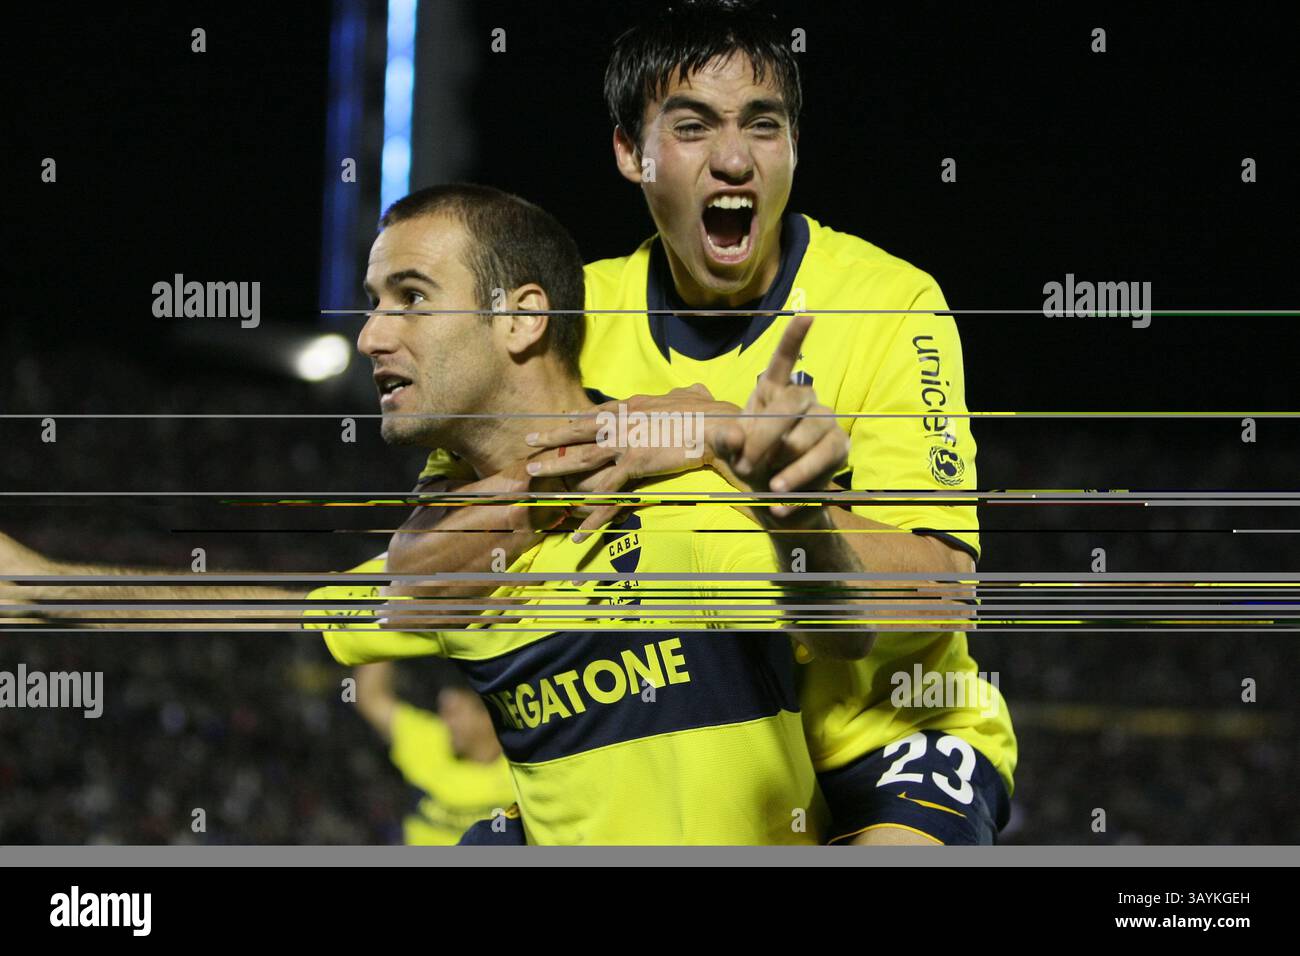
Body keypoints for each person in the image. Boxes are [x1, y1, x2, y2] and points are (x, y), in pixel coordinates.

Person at [394, 1, 1014, 845]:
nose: (733, 159)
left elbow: (942, 594)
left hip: (886, 734)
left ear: (794, 146)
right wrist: (599, 458)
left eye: (764, 126)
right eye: (692, 127)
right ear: (630, 152)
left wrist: (747, 466)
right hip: (669, 742)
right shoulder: (575, 313)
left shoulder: (892, 302)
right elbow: (422, 580)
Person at [308, 182, 873, 844]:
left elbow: (844, 632)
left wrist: (796, 515)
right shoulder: (458, 538)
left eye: (412, 299)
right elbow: (323, 615)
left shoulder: (683, 488)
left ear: (521, 318)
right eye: (374, 303)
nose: (371, 334)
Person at [350, 660, 515, 846]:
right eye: (443, 712)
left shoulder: (526, 761)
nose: (446, 723)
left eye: (454, 712)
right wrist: (384, 636)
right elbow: (369, 696)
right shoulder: (432, 739)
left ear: (487, 715)